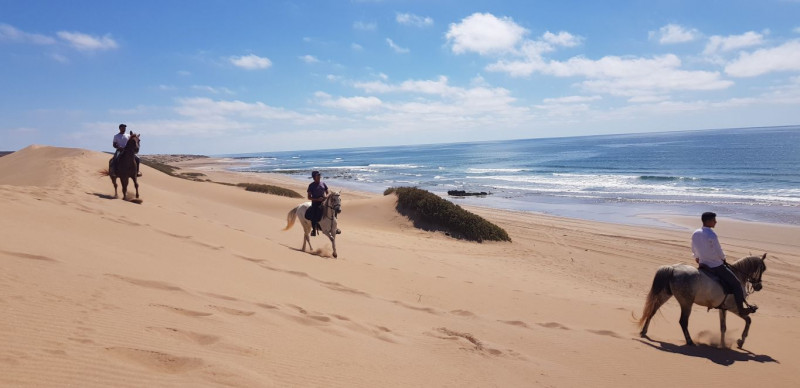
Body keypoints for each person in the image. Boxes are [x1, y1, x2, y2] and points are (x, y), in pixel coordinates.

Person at [691, 212, 756, 316]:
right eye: (714, 220)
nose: (715, 222)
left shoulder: (695, 233)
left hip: (703, 265)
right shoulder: (711, 234)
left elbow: (694, 248)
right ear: (708, 221)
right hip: (715, 265)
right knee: (736, 284)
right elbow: (718, 251)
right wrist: (723, 258)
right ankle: (741, 309)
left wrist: (697, 258)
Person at [306, 170, 328, 236]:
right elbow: (309, 197)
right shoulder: (311, 185)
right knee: (314, 215)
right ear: (314, 177)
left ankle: (335, 227)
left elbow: (327, 192)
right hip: (315, 203)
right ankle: (314, 230)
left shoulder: (323, 183)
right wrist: (317, 199)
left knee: (333, 209)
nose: (319, 176)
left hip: (323, 202)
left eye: (319, 175)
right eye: (317, 175)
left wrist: (325, 197)